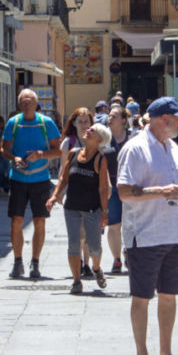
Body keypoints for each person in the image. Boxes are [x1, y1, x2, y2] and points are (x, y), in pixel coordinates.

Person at [117, 96, 178, 355]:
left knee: (169, 296)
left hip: (173, 235)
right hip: (145, 235)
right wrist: (160, 191)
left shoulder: (174, 148)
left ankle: (165, 354)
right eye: (177, 119)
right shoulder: (136, 149)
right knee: (142, 297)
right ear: (164, 119)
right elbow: (124, 191)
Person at [1, 89, 62, 279]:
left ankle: (35, 262)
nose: (27, 104)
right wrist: (15, 157)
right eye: (23, 101)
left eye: (30, 101)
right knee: (16, 220)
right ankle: (17, 261)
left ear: (36, 104)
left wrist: (41, 155)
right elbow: (4, 148)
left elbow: (58, 150)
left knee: (39, 221)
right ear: (19, 104)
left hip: (40, 179)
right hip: (18, 178)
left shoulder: (46, 123)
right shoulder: (14, 123)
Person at [47, 123, 112, 294]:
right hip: (72, 208)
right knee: (73, 245)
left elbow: (103, 188)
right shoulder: (73, 153)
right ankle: (76, 281)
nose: (88, 130)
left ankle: (96, 269)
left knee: (94, 248)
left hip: (92, 210)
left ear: (99, 140)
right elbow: (64, 178)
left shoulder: (100, 159)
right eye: (89, 128)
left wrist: (104, 213)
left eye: (93, 130)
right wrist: (55, 196)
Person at [59, 107, 94, 276]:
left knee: (88, 231)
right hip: (73, 192)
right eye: (80, 122)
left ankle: (86, 264)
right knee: (78, 232)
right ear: (74, 123)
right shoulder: (68, 143)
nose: (83, 125)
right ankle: (79, 262)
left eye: (86, 121)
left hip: (91, 191)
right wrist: (59, 192)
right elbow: (62, 170)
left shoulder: (96, 140)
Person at [103, 106, 132, 274]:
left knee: (131, 223)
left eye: (114, 116)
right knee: (114, 225)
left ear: (123, 120)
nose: (110, 118)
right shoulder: (104, 139)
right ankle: (116, 260)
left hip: (130, 186)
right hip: (111, 187)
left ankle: (129, 252)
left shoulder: (132, 137)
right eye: (109, 116)